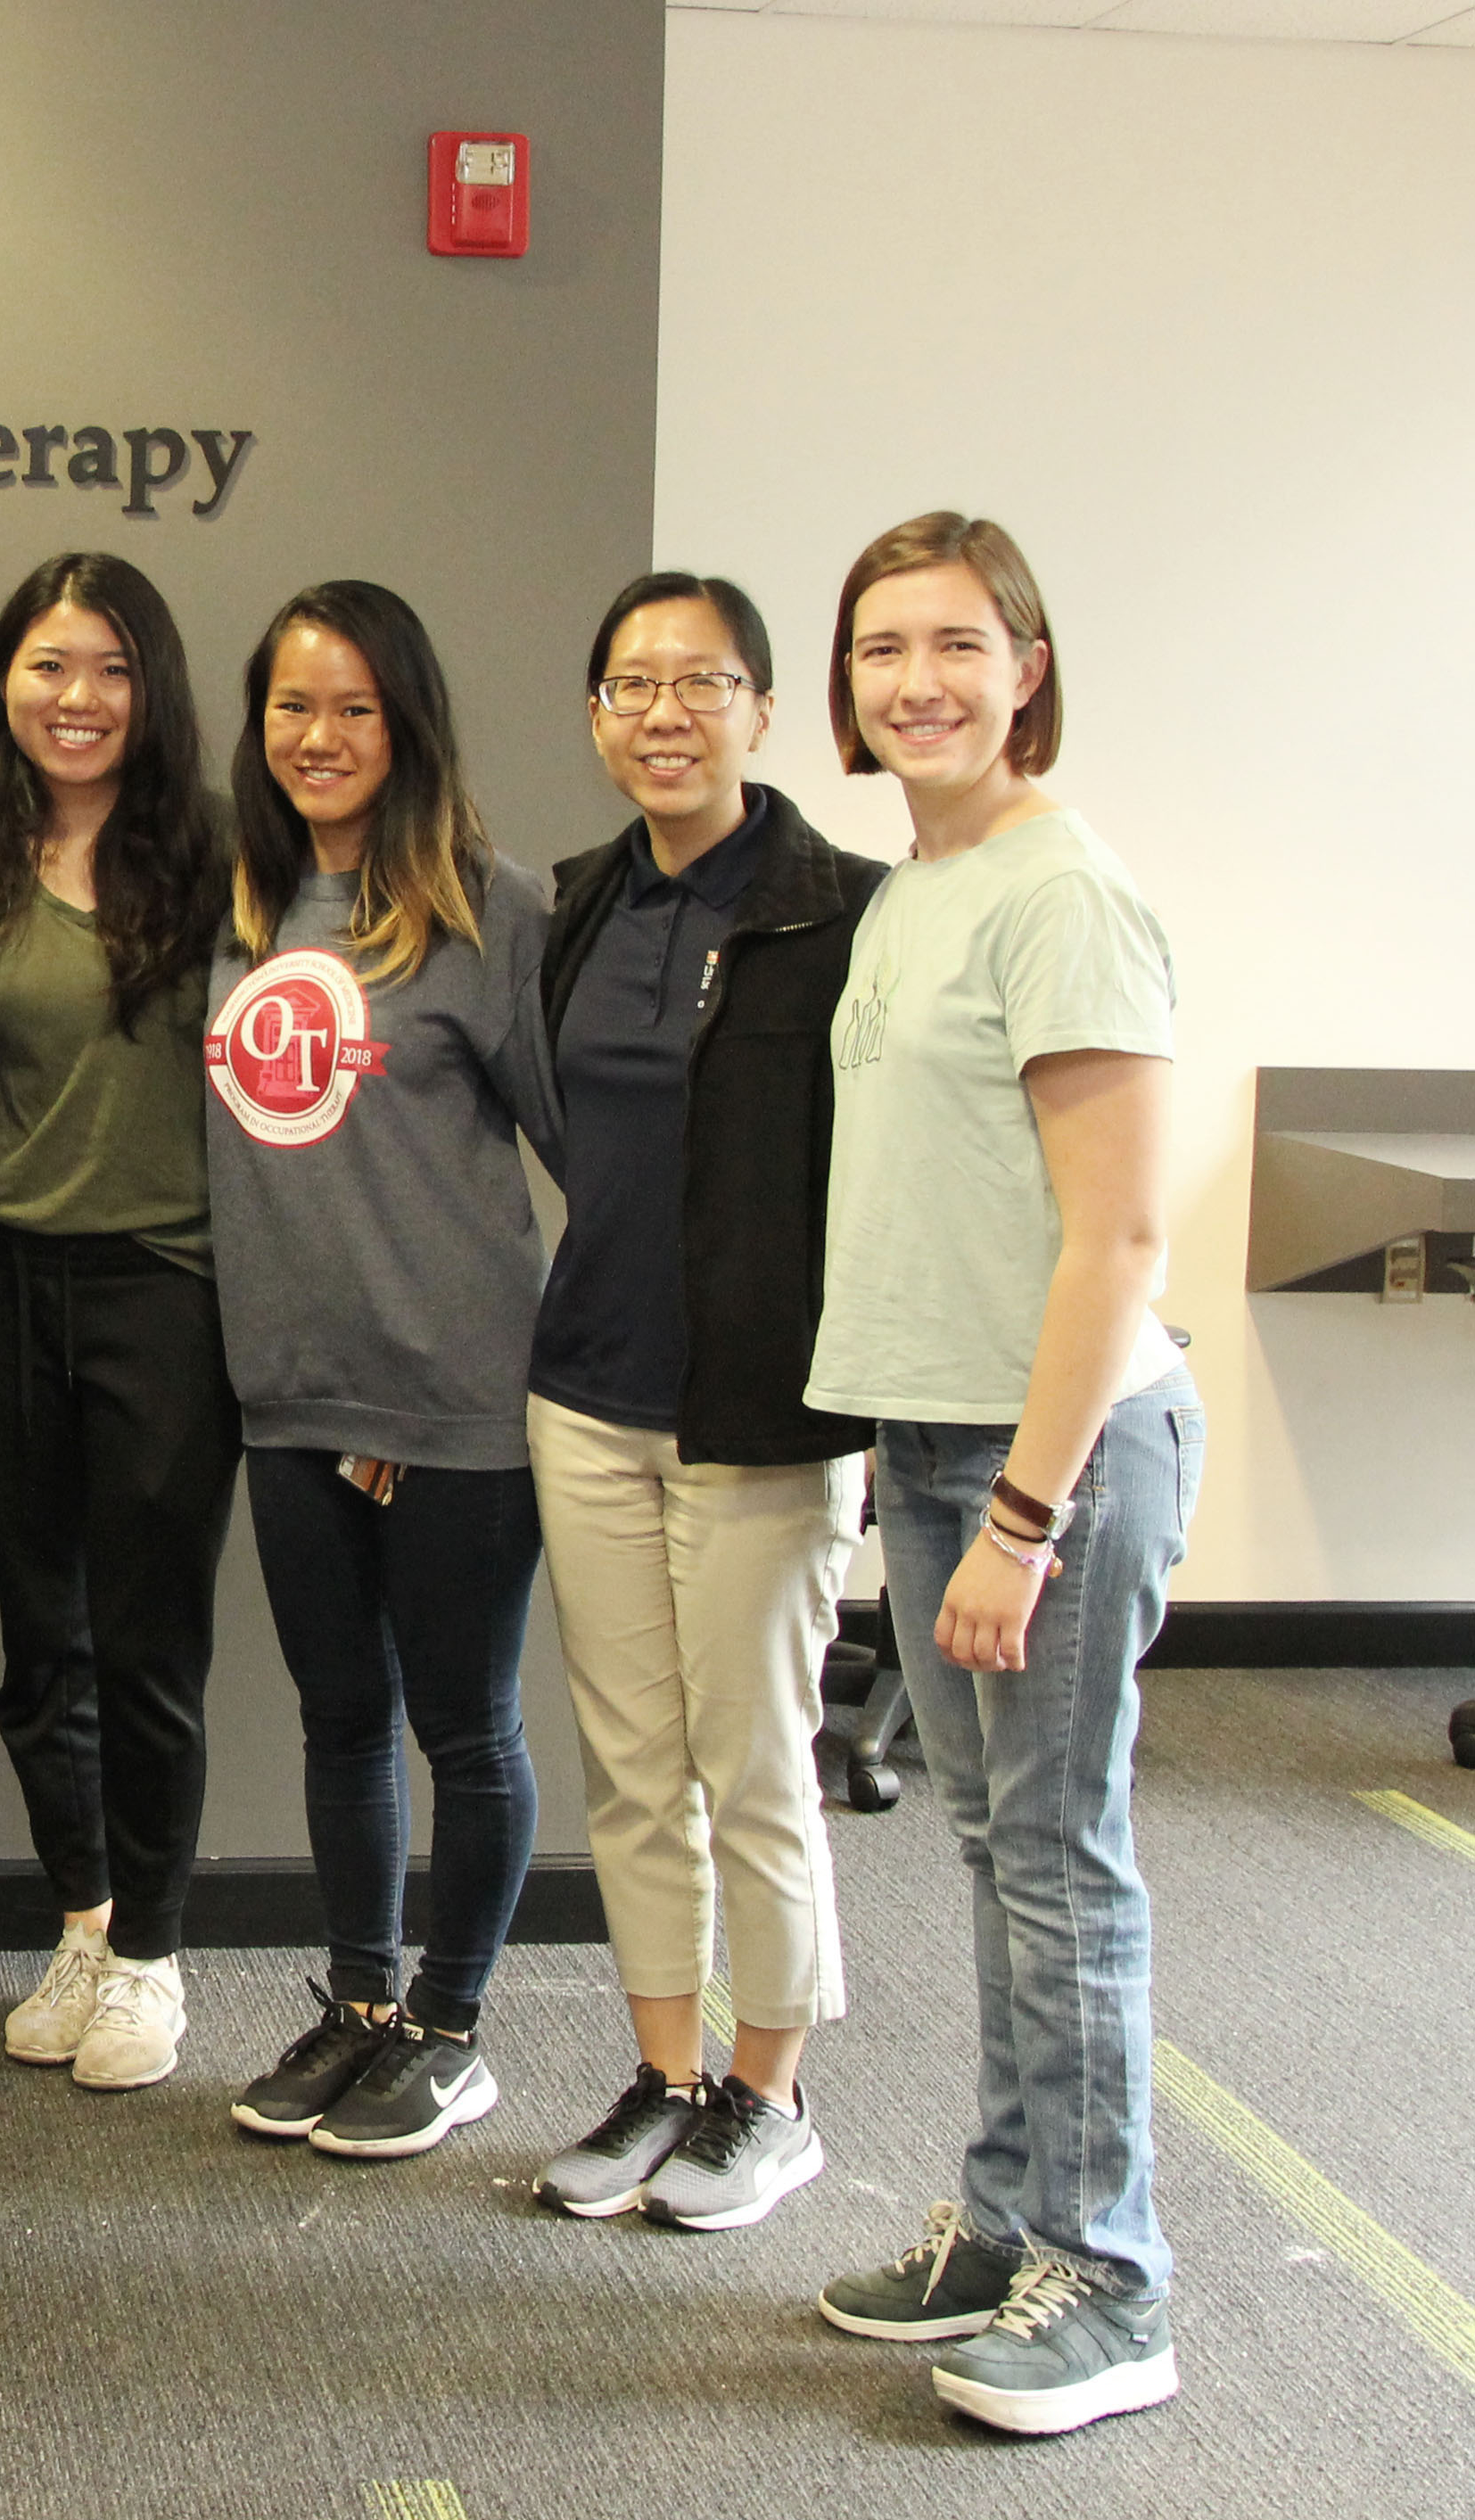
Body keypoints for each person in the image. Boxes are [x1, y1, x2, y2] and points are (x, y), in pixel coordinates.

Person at [803, 514, 1197, 2440]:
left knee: (1057, 1862)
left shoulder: (1059, 892)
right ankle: (1010, 2216)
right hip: (946, 1443)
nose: (915, 683)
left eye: (955, 645)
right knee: (995, 1856)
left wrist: (1025, 1517)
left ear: (1025, 665)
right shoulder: (911, 892)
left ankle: (1109, 2283)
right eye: (881, 651)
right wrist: (910, 1466)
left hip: (1060, 1453)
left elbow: (1113, 1243)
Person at [524, 572, 883, 2229]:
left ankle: (768, 2094)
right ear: (595, 717)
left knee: (754, 1767)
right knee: (627, 1764)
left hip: (761, 1410)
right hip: (587, 1387)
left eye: (697, 683)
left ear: (757, 708)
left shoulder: (844, 909)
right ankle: (661, 2074)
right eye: (626, 686)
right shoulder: (580, 900)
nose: (659, 714)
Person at [203, 581, 557, 2162]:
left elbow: (589, 1153)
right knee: (336, 1717)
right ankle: (356, 2005)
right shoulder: (233, 909)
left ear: (404, 723)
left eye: (352, 706)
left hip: (454, 1402)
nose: (319, 735)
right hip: (287, 1391)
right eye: (291, 704)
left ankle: (450, 2023)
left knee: (463, 1727)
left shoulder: (487, 912)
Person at [0, 554, 241, 2090]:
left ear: (153, 689)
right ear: (5, 680)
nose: (77, 699)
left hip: (164, 1290)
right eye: (49, 665)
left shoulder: (220, 861)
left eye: (111, 668)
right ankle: (81, 1915)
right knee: (35, 1638)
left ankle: (150, 1957)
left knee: (147, 1645)